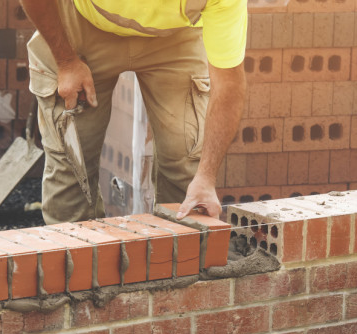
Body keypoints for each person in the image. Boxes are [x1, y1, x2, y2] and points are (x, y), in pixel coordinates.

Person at [20, 0, 247, 224]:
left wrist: (206, 177)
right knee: (72, 164)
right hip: (83, 23)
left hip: (175, 35)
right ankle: (75, 254)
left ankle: (184, 255)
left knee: (187, 165)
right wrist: (66, 61)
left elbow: (229, 83)